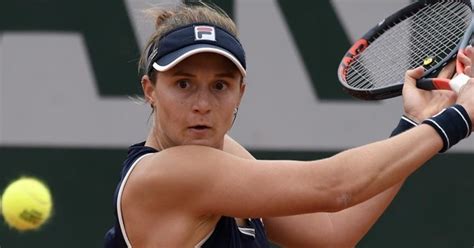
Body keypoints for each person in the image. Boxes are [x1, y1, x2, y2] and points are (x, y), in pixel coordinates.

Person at [104, 2, 474, 247]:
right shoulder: (168, 174)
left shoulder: (220, 155)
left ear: (240, 92)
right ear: (150, 90)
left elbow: (332, 233)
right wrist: (459, 119)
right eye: (183, 84)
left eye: (220, 86)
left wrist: (415, 124)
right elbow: (336, 188)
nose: (202, 104)